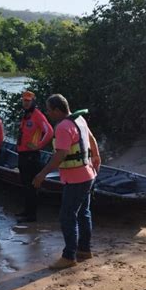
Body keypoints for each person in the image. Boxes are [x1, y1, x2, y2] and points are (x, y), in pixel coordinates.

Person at [33, 94, 101, 270]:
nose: (48, 113)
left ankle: (69, 256)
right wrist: (96, 156)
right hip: (88, 175)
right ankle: (84, 250)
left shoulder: (63, 127)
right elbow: (91, 138)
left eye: (49, 110)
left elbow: (60, 155)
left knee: (67, 216)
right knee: (83, 213)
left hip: (76, 179)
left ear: (57, 110)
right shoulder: (79, 119)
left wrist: (41, 174)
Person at [16, 91, 53, 222]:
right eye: (24, 100)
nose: (25, 103)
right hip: (23, 155)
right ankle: (27, 211)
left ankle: (31, 215)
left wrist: (39, 146)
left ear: (33, 102)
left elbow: (49, 131)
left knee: (31, 186)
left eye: (28, 101)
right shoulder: (26, 115)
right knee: (26, 185)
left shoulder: (37, 115)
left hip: (31, 156)